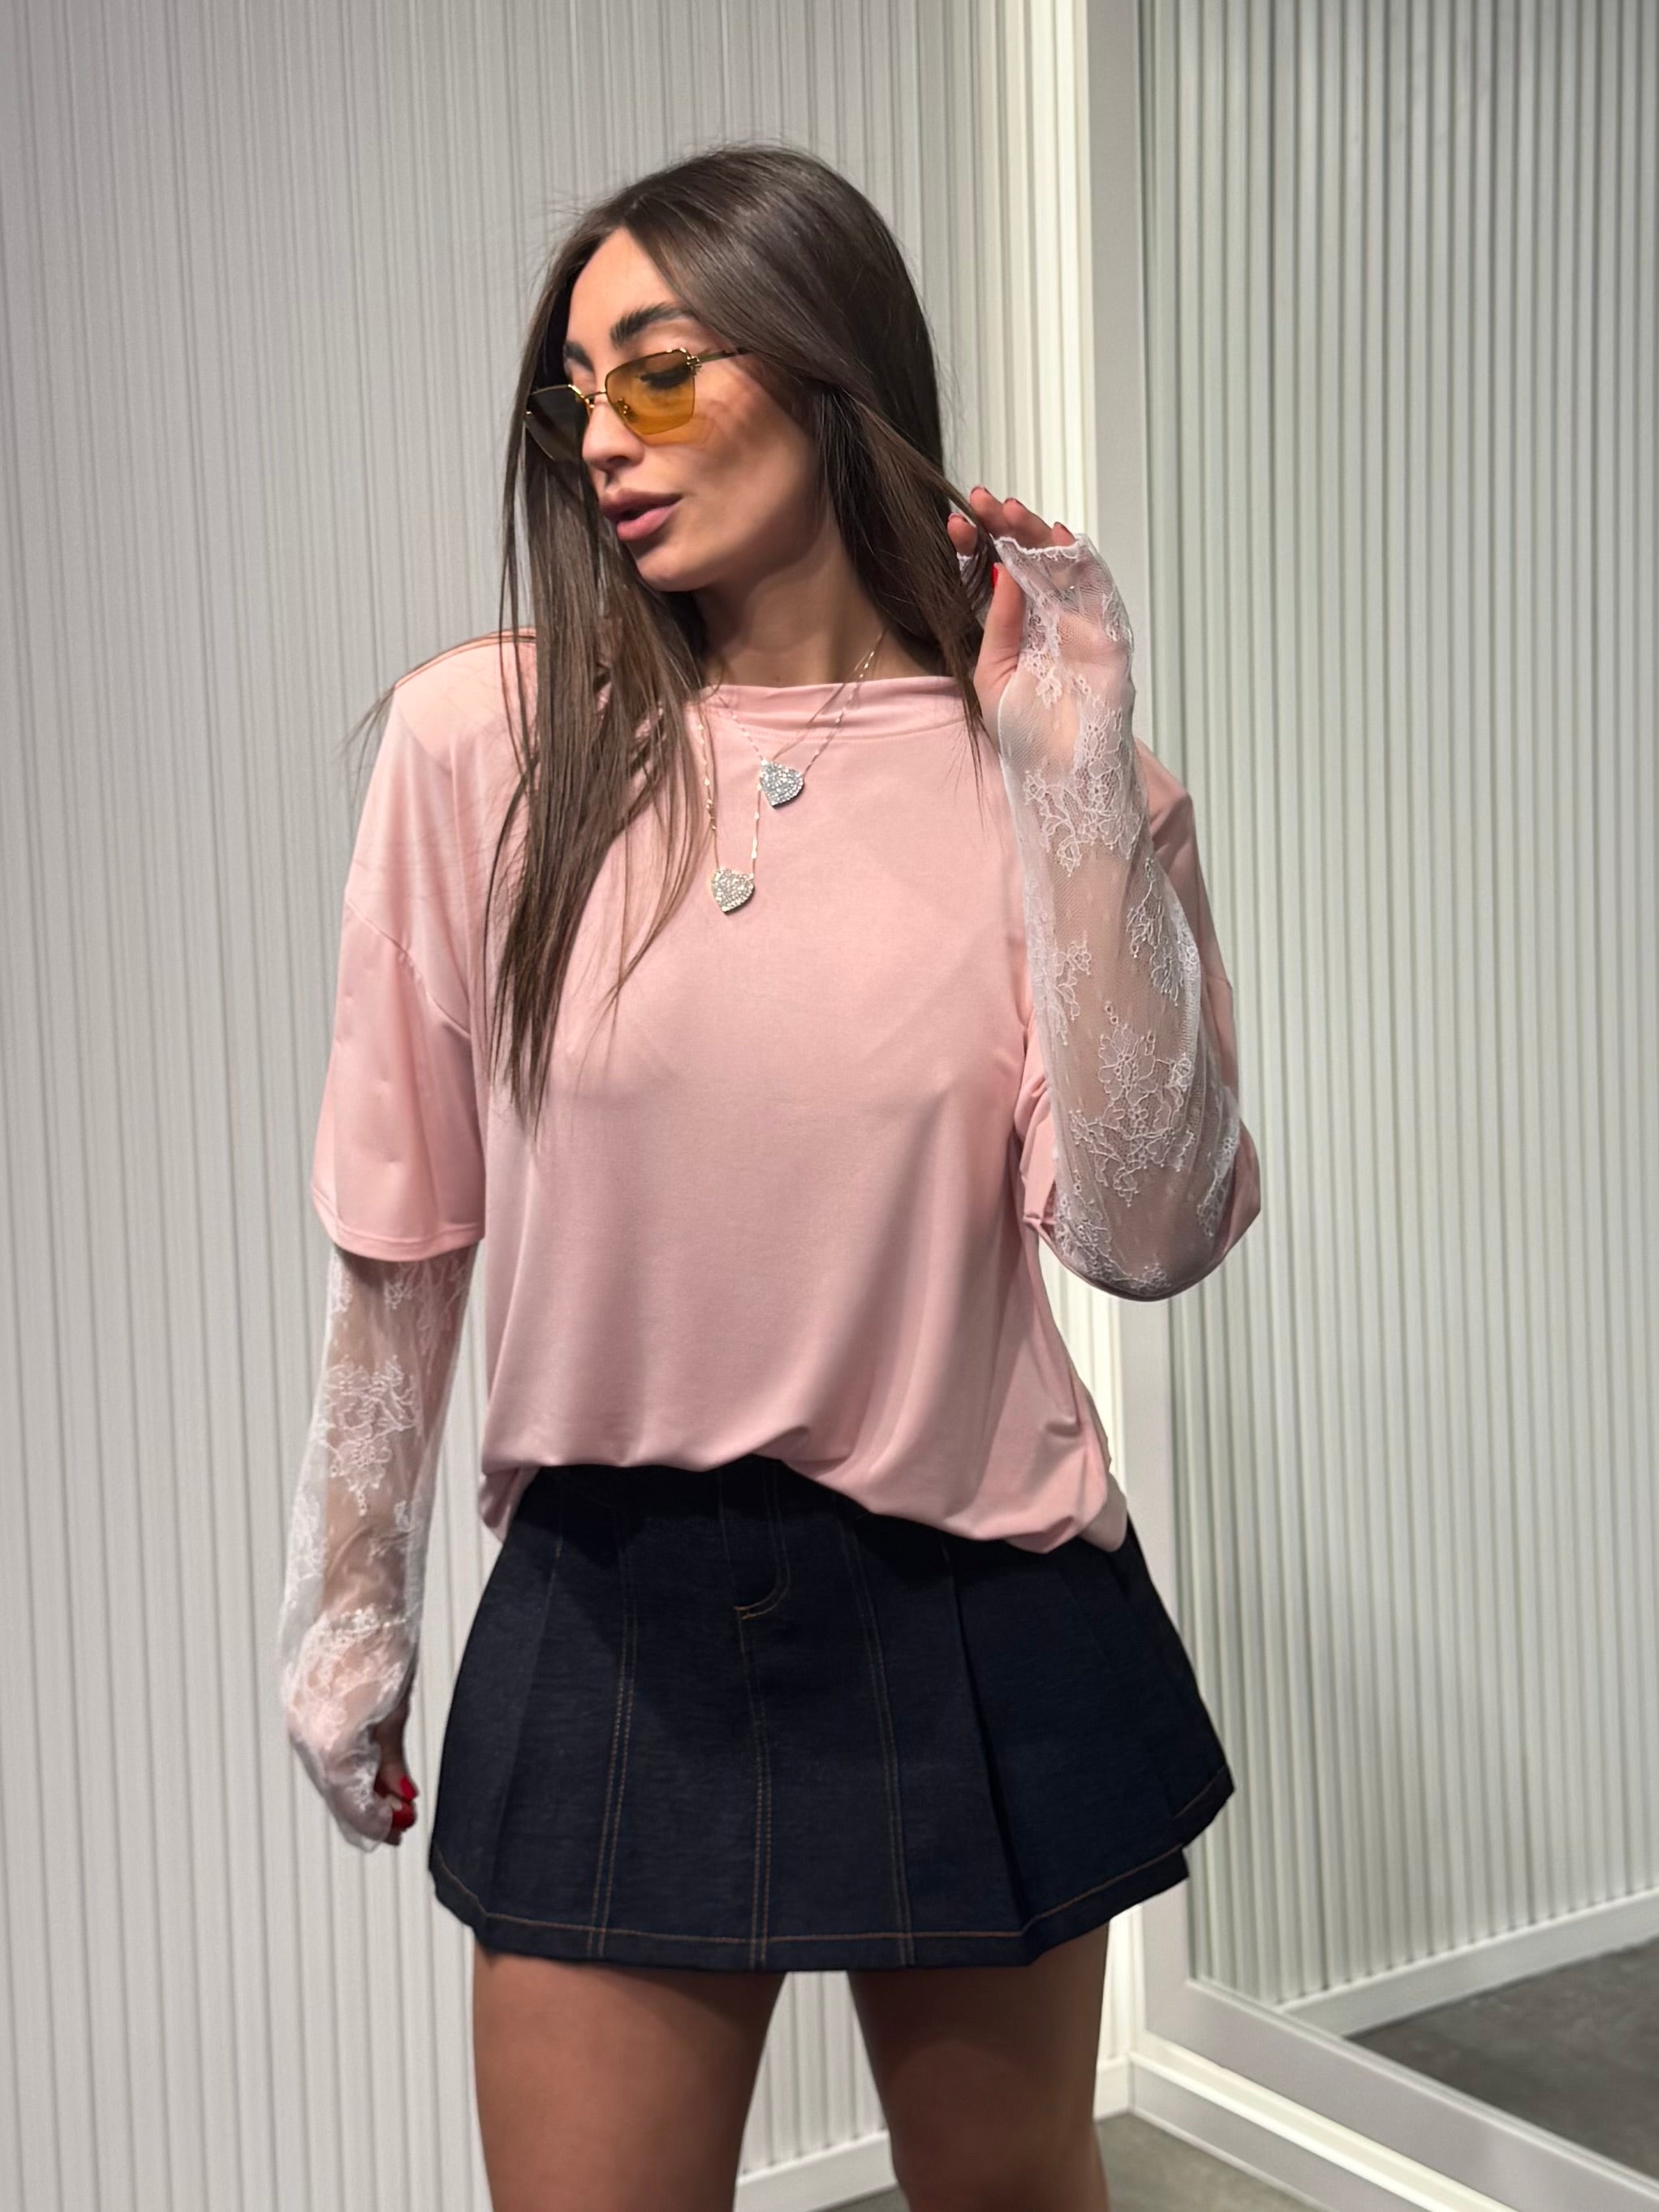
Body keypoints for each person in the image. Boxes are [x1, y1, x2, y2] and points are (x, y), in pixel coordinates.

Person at [277, 140, 1261, 2212]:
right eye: (574, 394)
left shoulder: (1036, 769)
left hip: (974, 1597)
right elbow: (402, 1225)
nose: (600, 441)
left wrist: (1073, 781)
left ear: (824, 369)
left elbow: (1147, 1230)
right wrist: (348, 1610)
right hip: (610, 1602)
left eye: (656, 371)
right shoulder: (482, 746)